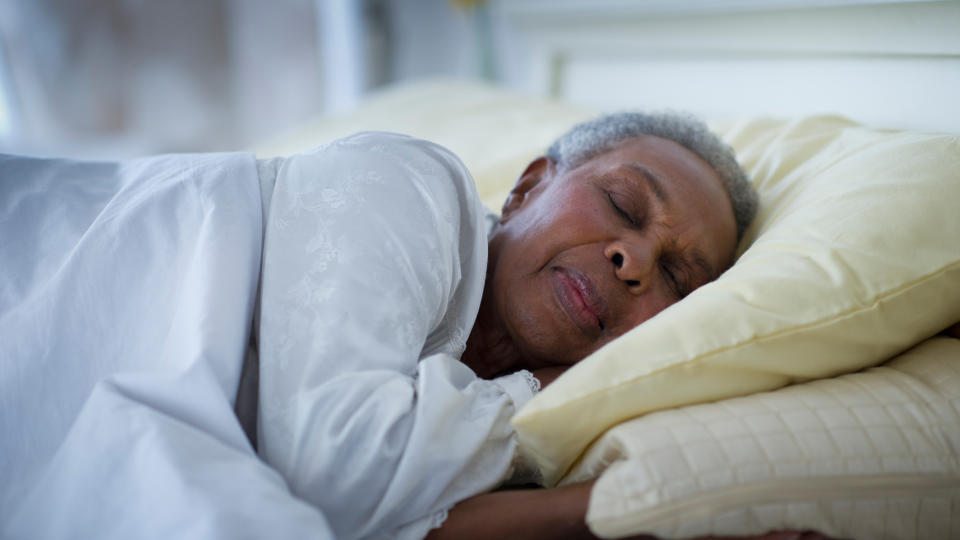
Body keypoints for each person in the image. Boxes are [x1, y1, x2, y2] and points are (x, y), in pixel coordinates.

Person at [0, 111, 760, 540]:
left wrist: (649, 507)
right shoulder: (411, 184)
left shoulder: (485, 412)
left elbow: (397, 521)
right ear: (530, 186)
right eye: (624, 206)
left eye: (676, 279)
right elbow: (340, 476)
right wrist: (551, 391)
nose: (633, 258)